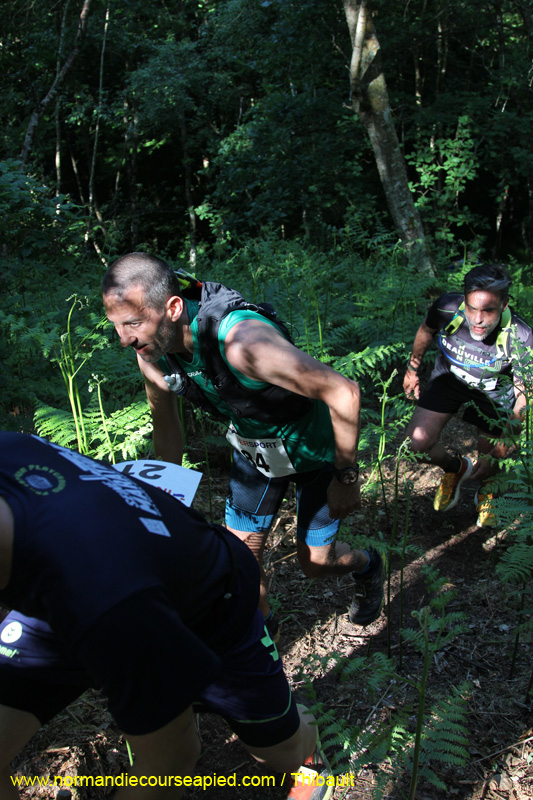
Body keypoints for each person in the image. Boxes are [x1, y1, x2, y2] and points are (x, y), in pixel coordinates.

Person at [0, 432, 335, 800]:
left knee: (279, 752)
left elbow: (170, 763)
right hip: (83, 595)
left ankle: (308, 751)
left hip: (210, 610)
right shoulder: (8, 446)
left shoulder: (109, 602)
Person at [102, 253, 386, 634]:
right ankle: (266, 645)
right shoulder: (153, 355)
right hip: (256, 453)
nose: (124, 339)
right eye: (116, 326)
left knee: (316, 564)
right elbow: (166, 428)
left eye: (133, 323)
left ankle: (368, 566)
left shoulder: (242, 342)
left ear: (172, 308)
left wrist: (346, 477)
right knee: (241, 562)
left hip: (315, 452)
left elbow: (344, 392)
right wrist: (162, 499)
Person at [403, 263, 533, 527]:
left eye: (488, 310)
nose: (477, 319)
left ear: (504, 305)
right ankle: (455, 468)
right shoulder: (446, 307)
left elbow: (525, 395)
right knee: (414, 447)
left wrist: (506, 440)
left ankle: (488, 490)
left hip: (493, 392)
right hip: (449, 379)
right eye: (472, 308)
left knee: (490, 459)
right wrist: (412, 368)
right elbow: (426, 330)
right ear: (464, 300)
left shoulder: (522, 336)